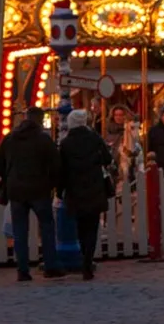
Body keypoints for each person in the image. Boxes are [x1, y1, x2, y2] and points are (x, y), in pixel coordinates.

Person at [0, 107, 64, 282]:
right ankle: (50, 266)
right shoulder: (43, 139)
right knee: (47, 227)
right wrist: (52, 184)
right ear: (40, 120)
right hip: (39, 189)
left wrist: (10, 178)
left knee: (20, 230)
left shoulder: (10, 138)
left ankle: (22, 270)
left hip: (16, 190)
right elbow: (56, 165)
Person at [57, 110, 112, 281]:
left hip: (75, 188)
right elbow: (107, 159)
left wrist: (60, 190)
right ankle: (88, 260)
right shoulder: (94, 138)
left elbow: (61, 169)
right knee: (92, 225)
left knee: (80, 226)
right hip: (94, 186)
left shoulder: (66, 143)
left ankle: (84, 256)